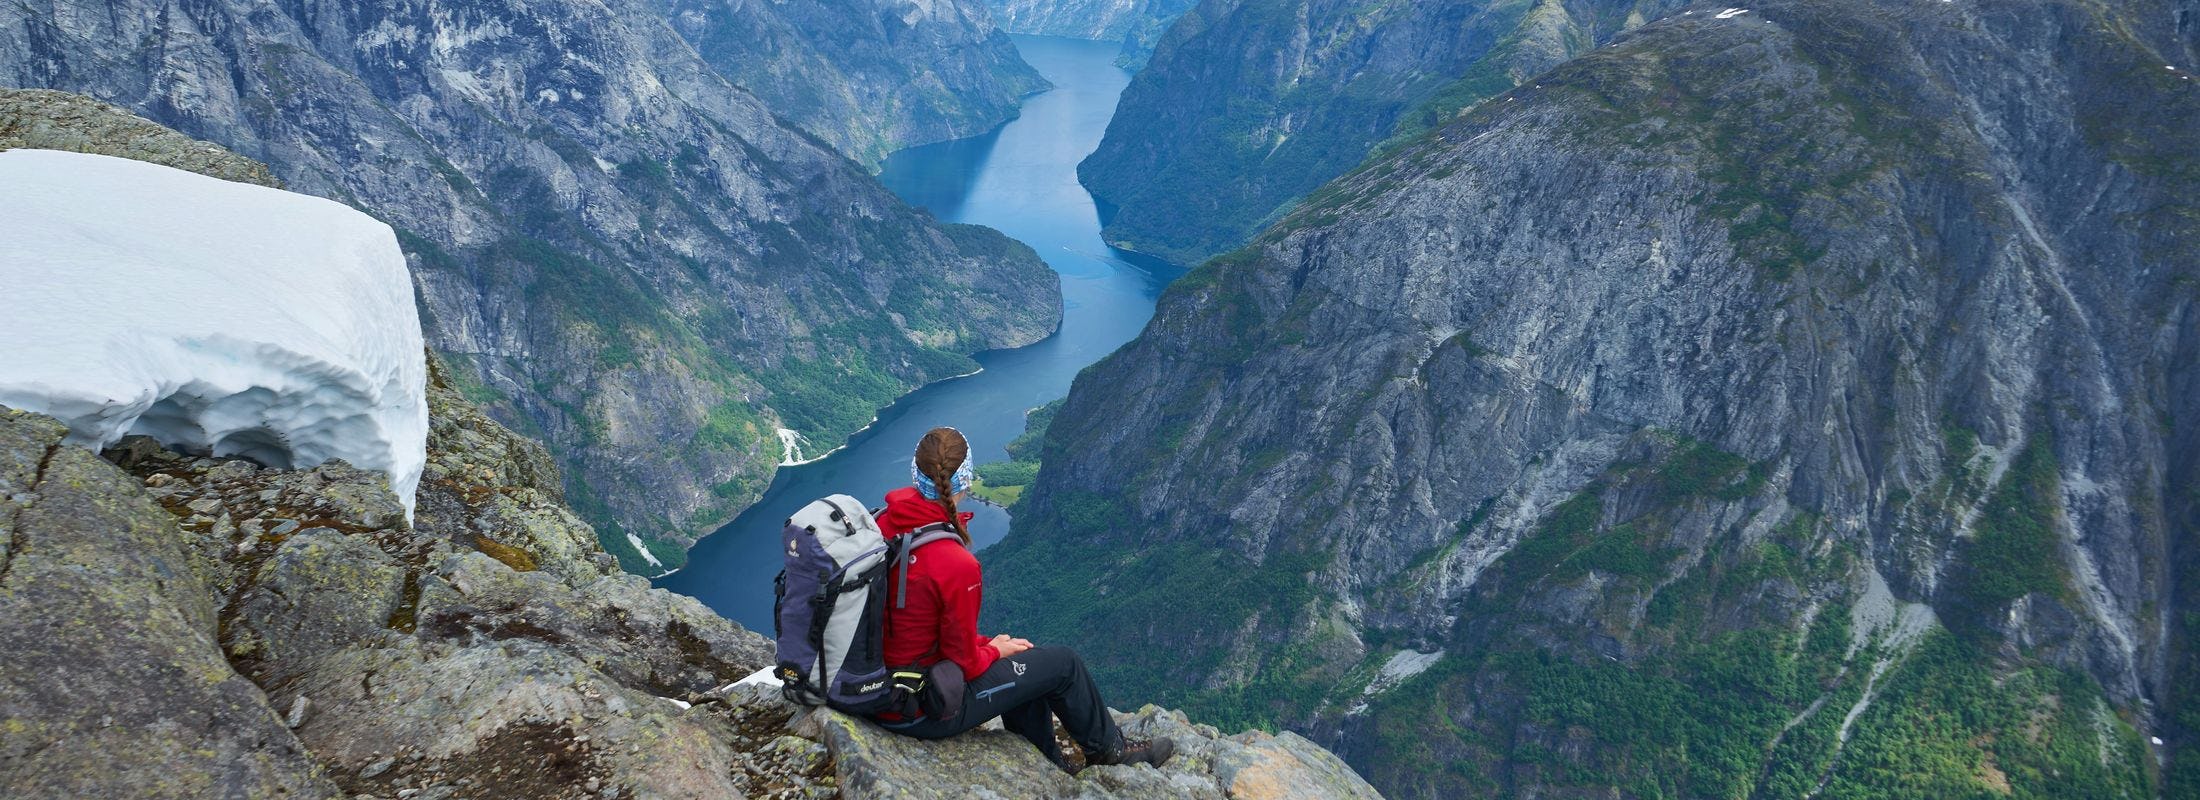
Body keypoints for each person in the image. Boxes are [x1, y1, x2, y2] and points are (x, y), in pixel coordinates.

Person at [868, 426, 1175, 772]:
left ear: (915, 472)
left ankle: (1048, 765)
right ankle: (1112, 752)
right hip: (918, 708)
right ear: (966, 481)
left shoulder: (883, 523)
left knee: (1024, 659)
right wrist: (993, 650)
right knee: (1063, 664)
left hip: (877, 690)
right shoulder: (955, 563)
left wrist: (991, 646)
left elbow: (914, 624)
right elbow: (965, 663)